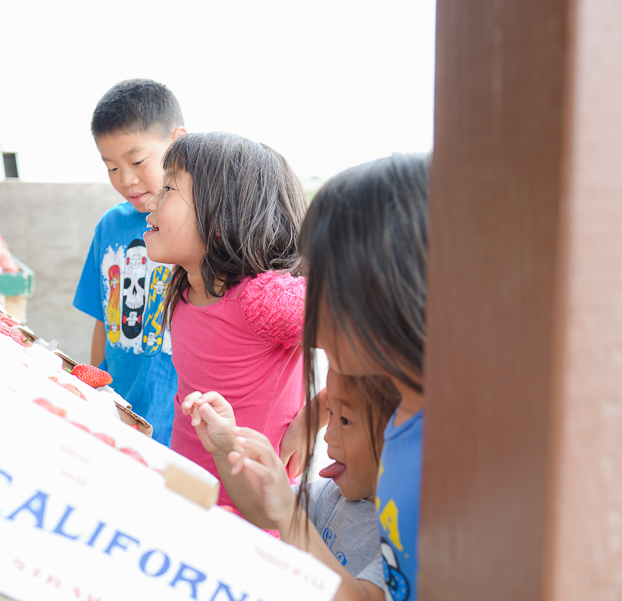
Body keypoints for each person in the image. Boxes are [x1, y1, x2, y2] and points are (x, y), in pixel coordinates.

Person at [143, 131, 308, 511]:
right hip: (190, 497)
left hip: (251, 520)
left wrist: (318, 413)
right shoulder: (188, 286)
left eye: (169, 189)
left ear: (221, 220)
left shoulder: (262, 298)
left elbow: (369, 333)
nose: (152, 201)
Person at [298, 154, 431, 601]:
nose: (311, 327)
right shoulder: (403, 417)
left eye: (322, 290)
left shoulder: (452, 451)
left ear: (381, 288)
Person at [181, 370, 401, 600]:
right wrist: (226, 449)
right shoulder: (333, 494)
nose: (327, 435)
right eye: (330, 414)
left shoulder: (406, 535)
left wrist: (290, 514)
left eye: (345, 420)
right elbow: (260, 508)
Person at [73, 79, 187, 446]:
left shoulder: (201, 227)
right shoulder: (110, 226)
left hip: (177, 429)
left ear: (177, 141)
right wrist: (96, 390)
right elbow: (102, 321)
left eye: (137, 161)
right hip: (118, 416)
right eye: (111, 168)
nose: (127, 180)